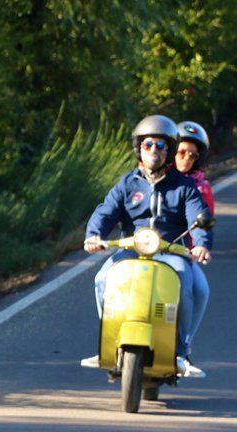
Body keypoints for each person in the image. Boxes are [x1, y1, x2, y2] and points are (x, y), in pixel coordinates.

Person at [81, 115, 212, 378]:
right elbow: (105, 212)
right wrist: (94, 235)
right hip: (131, 248)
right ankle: (109, 342)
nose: (154, 150)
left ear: (169, 151)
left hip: (170, 251)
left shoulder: (185, 187)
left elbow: (199, 216)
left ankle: (180, 352)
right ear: (138, 148)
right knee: (102, 278)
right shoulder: (127, 183)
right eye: (148, 144)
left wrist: (201, 245)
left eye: (161, 145)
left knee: (188, 283)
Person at [174, 121, 213, 360]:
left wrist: (200, 246)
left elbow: (205, 222)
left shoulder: (200, 188)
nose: (186, 158)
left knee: (200, 291)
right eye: (181, 152)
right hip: (143, 247)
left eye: (192, 155)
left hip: (181, 252)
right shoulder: (146, 178)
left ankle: (184, 345)